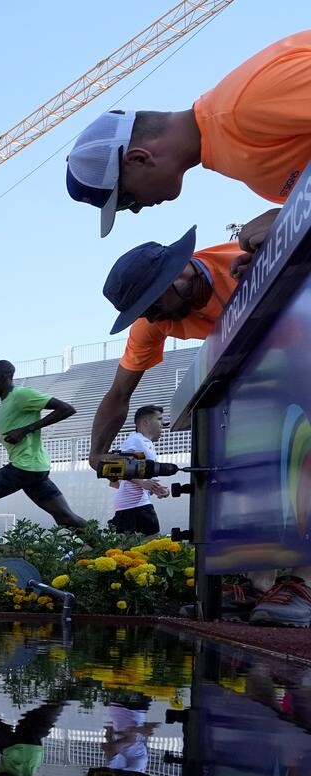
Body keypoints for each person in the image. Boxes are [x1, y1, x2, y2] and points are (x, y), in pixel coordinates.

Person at [65, 32, 311, 241]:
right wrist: (282, 237)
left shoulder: (242, 109)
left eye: (127, 200)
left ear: (139, 158)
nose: (137, 209)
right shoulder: (227, 142)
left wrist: (289, 220)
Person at [88, 229, 238, 466]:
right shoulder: (152, 324)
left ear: (176, 274)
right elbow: (119, 393)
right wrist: (96, 454)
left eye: (151, 306)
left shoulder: (243, 259)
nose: (150, 317)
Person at [0, 360, 87, 547]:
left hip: (23, 467)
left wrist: (26, 429)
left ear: (5, 377)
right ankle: (106, 546)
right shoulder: (6, 403)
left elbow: (66, 409)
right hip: (34, 468)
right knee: (65, 517)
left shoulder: (20, 395)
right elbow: (13, 440)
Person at [107, 405, 170, 536]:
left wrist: (154, 488)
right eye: (159, 419)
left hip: (134, 504)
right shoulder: (136, 441)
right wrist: (142, 483)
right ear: (146, 422)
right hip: (133, 506)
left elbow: (131, 473)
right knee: (154, 544)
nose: (163, 424)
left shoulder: (146, 442)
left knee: (148, 545)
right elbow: (119, 467)